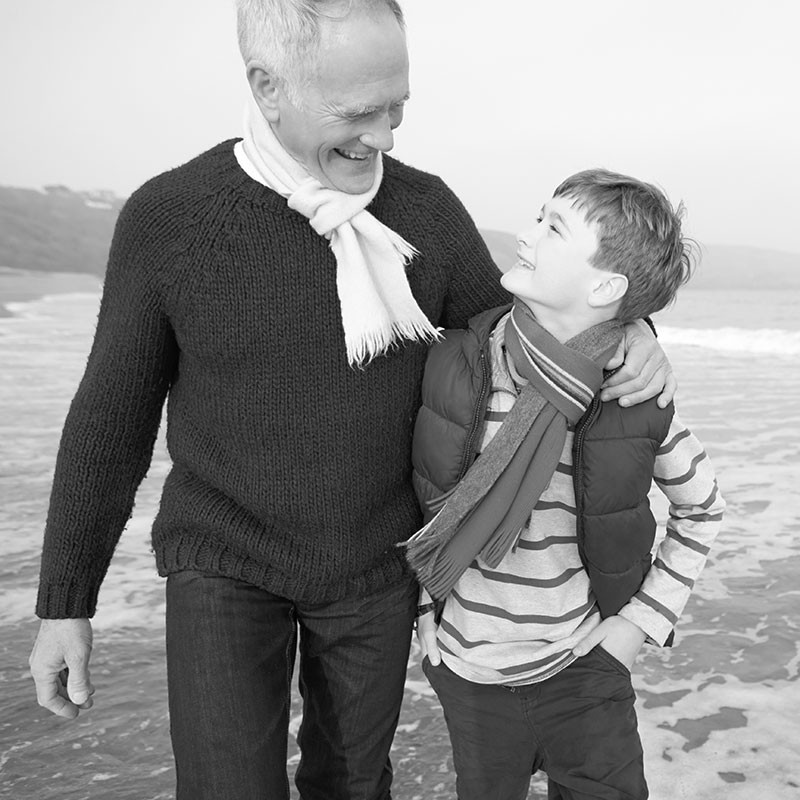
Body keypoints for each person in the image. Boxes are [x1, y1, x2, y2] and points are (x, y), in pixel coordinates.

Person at [27, 2, 676, 798]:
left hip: (374, 563)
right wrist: (67, 600)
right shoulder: (171, 219)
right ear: (269, 87)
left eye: (398, 105)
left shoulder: (424, 212)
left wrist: (630, 329)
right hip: (225, 556)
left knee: (352, 785)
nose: (386, 135)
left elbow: (520, 332)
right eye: (358, 111)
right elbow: (110, 417)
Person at [407, 168, 725, 800]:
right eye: (538, 217)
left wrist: (634, 629)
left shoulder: (632, 396)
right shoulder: (460, 365)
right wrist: (425, 619)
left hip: (585, 671)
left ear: (606, 286)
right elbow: (415, 496)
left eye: (554, 229)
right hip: (470, 674)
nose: (527, 236)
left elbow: (704, 509)